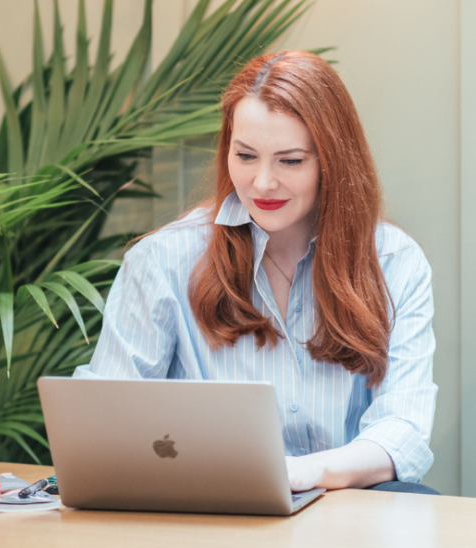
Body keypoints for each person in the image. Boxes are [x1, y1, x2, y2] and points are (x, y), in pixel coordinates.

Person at [74, 51, 439, 495]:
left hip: (346, 501)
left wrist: (306, 473)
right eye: (245, 156)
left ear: (333, 161)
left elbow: (402, 431)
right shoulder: (161, 260)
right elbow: (104, 418)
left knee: (413, 502)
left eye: (290, 161)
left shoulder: (394, 260)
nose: (263, 183)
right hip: (208, 503)